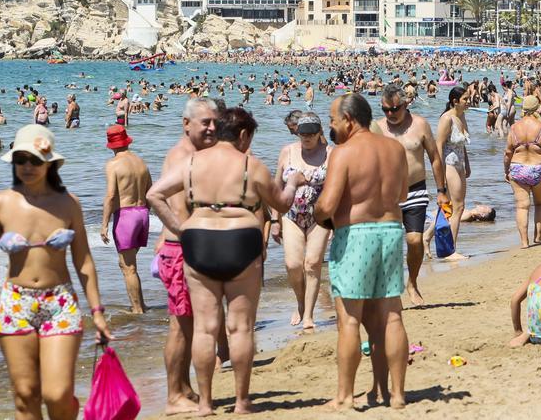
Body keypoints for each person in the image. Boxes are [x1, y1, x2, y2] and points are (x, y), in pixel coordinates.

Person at [148, 107, 299, 417]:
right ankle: (242, 402)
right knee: (241, 327)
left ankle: (205, 403)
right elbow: (281, 202)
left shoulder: (190, 162)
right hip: (241, 239)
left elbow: (154, 194)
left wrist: (180, 228)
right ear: (243, 135)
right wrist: (294, 182)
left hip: (199, 240)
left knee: (205, 328)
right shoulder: (250, 164)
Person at [0, 124, 111, 420]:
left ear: (50, 162)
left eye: (34, 160)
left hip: (60, 303)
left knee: (56, 396)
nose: (27, 166)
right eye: (21, 159)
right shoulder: (1, 203)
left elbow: (83, 262)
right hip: (15, 304)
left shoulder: (69, 204)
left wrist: (97, 312)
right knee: (26, 395)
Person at [314, 93, 410, 410]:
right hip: (391, 231)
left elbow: (327, 205)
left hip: (356, 234)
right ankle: (396, 395)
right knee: (392, 316)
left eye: (333, 120)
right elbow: (402, 193)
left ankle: (344, 396)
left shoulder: (343, 152)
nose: (331, 125)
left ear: (349, 120)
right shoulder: (395, 149)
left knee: (350, 321)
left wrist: (315, 213)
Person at [144, 98, 219, 415]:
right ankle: (174, 395)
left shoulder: (199, 154)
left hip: (187, 248)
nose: (212, 128)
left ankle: (184, 387)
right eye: (205, 123)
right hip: (181, 251)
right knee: (180, 325)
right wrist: (188, 234)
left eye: (215, 122)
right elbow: (163, 202)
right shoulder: (181, 156)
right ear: (186, 124)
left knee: (190, 324)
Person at [375, 84, 448, 304]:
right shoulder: (377, 128)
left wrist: (442, 191)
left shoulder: (420, 125)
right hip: (386, 194)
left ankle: (412, 282)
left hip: (415, 189)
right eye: (385, 110)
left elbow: (435, 158)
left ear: (406, 104)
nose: (390, 114)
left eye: (395, 109)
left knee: (414, 240)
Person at [275, 112, 331, 329]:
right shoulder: (287, 152)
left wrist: (335, 219)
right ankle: (300, 302)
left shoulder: (330, 153)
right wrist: (274, 220)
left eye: (310, 133)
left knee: (313, 263)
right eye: (302, 133)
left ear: (319, 133)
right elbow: (277, 187)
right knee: (293, 264)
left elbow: (337, 187)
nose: (306, 137)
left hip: (319, 216)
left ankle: (308, 315)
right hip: (291, 215)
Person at [99, 125, 151, 313]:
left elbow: (111, 196)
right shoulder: (140, 162)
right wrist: (145, 213)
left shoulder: (113, 165)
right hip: (142, 213)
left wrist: (104, 224)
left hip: (126, 216)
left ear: (111, 145)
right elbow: (150, 191)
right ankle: (141, 305)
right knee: (129, 264)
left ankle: (137, 309)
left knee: (127, 267)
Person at [504, 95, 541, 248]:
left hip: (518, 168)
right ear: (537, 109)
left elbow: (508, 152)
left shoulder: (514, 128)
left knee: (522, 206)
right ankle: (538, 236)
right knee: (540, 204)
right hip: (538, 169)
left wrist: (506, 170)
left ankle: (524, 242)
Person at [435, 85, 472, 258]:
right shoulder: (446, 119)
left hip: (460, 165)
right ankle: (451, 250)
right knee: (457, 207)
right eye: (465, 99)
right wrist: (440, 174)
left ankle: (427, 238)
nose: (468, 102)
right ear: (454, 101)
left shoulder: (461, 116)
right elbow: (438, 146)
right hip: (449, 165)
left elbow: (462, 143)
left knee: (449, 208)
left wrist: (468, 164)